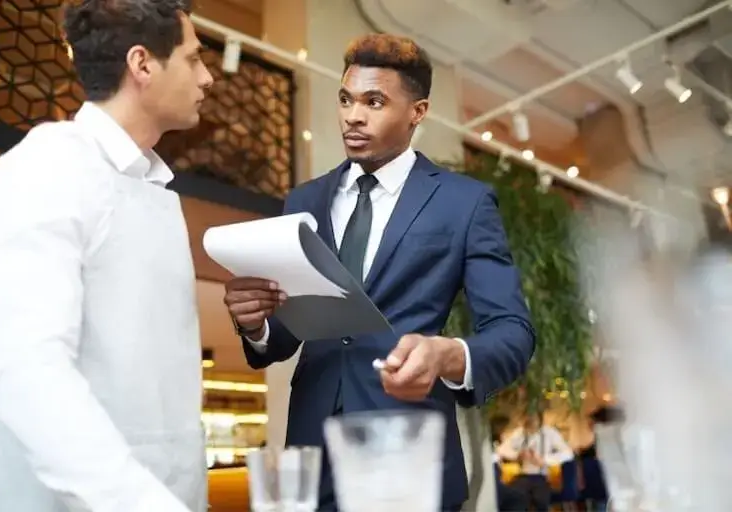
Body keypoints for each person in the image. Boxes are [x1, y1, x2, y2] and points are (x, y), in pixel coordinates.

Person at [223, 34, 535, 510]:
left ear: (418, 111)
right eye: (346, 99)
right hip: (313, 450)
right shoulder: (304, 200)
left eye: (374, 101)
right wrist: (257, 324)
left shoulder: (464, 203)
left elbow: (513, 331)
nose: (353, 115)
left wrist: (445, 354)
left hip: (411, 454)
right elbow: (288, 334)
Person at [0, 1, 213, 511]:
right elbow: (33, 376)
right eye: (193, 59)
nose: (207, 77)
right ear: (142, 64)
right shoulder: (45, 171)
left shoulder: (153, 189)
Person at [497, 413, 574, 511]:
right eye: (526, 418)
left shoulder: (549, 433)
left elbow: (568, 453)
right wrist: (518, 454)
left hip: (541, 476)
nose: (529, 421)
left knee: (540, 499)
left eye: (532, 418)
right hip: (523, 476)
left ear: (539, 418)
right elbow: (501, 449)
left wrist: (544, 460)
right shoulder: (520, 432)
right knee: (513, 499)